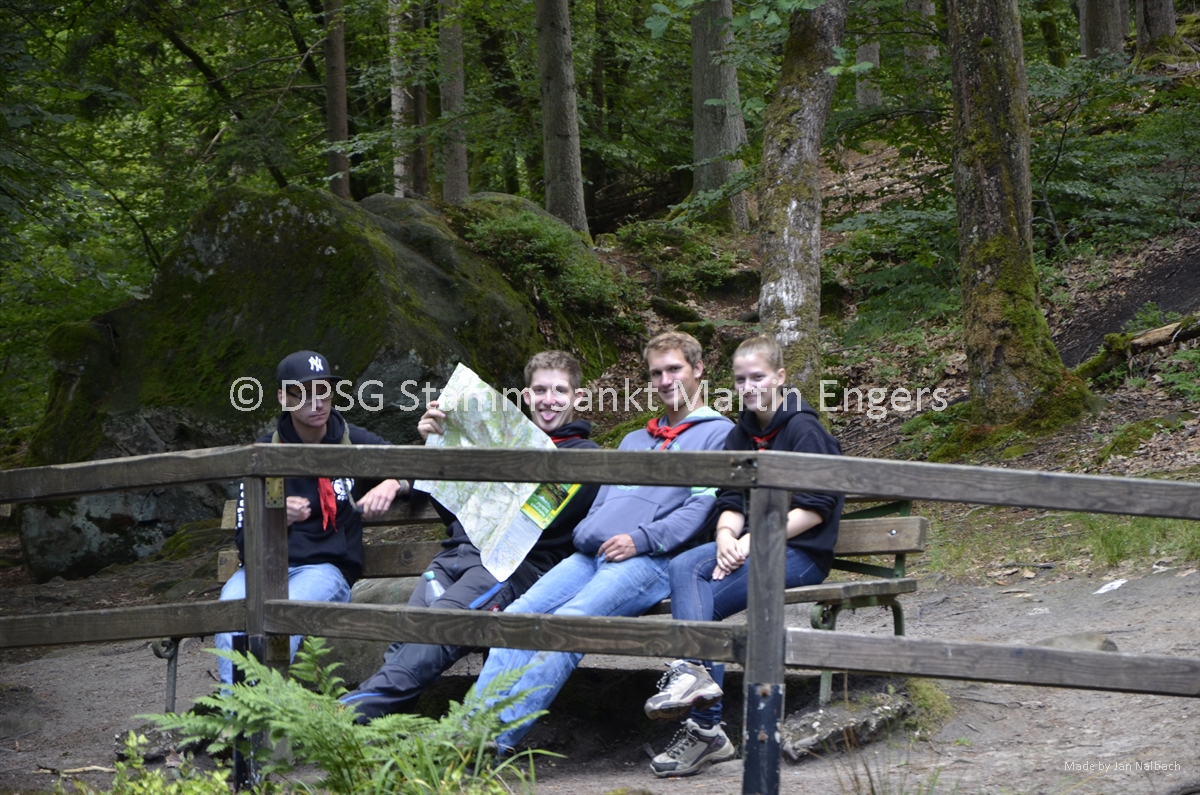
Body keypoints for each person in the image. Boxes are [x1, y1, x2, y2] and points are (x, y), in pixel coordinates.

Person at [470, 331, 734, 754]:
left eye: (674, 369)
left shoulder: (718, 434)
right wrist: (588, 537)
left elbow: (700, 510)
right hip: (591, 555)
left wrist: (640, 539)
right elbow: (601, 507)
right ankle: (464, 732)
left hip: (653, 560)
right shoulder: (635, 440)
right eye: (656, 373)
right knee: (517, 618)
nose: (665, 380)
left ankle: (492, 744)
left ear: (698, 370)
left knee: (568, 625)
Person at [339, 351, 601, 720]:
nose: (549, 400)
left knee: (439, 630)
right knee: (408, 639)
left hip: (507, 566)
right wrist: (439, 445)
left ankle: (346, 714)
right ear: (526, 396)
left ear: (578, 397)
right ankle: (383, 733)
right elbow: (456, 512)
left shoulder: (584, 455)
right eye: (540, 390)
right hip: (454, 556)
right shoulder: (498, 444)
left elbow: (542, 524)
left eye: (560, 390)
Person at [642, 334, 845, 778]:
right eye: (740, 380)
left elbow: (814, 509)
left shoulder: (803, 430)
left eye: (758, 377)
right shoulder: (741, 432)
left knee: (698, 605)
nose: (749, 387)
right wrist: (725, 537)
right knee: (686, 570)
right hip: (753, 545)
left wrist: (749, 543)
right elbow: (730, 497)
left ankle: (704, 725)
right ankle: (700, 699)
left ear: (780, 377)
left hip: (801, 552)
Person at [215, 350, 405, 684]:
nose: (316, 403)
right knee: (232, 614)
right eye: (302, 394)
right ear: (282, 398)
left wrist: (394, 482)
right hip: (262, 570)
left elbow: (420, 469)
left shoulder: (350, 440)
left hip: (324, 570)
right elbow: (245, 541)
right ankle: (245, 713)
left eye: (323, 392)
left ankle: (261, 710)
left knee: (280, 619)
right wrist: (274, 518)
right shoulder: (264, 453)